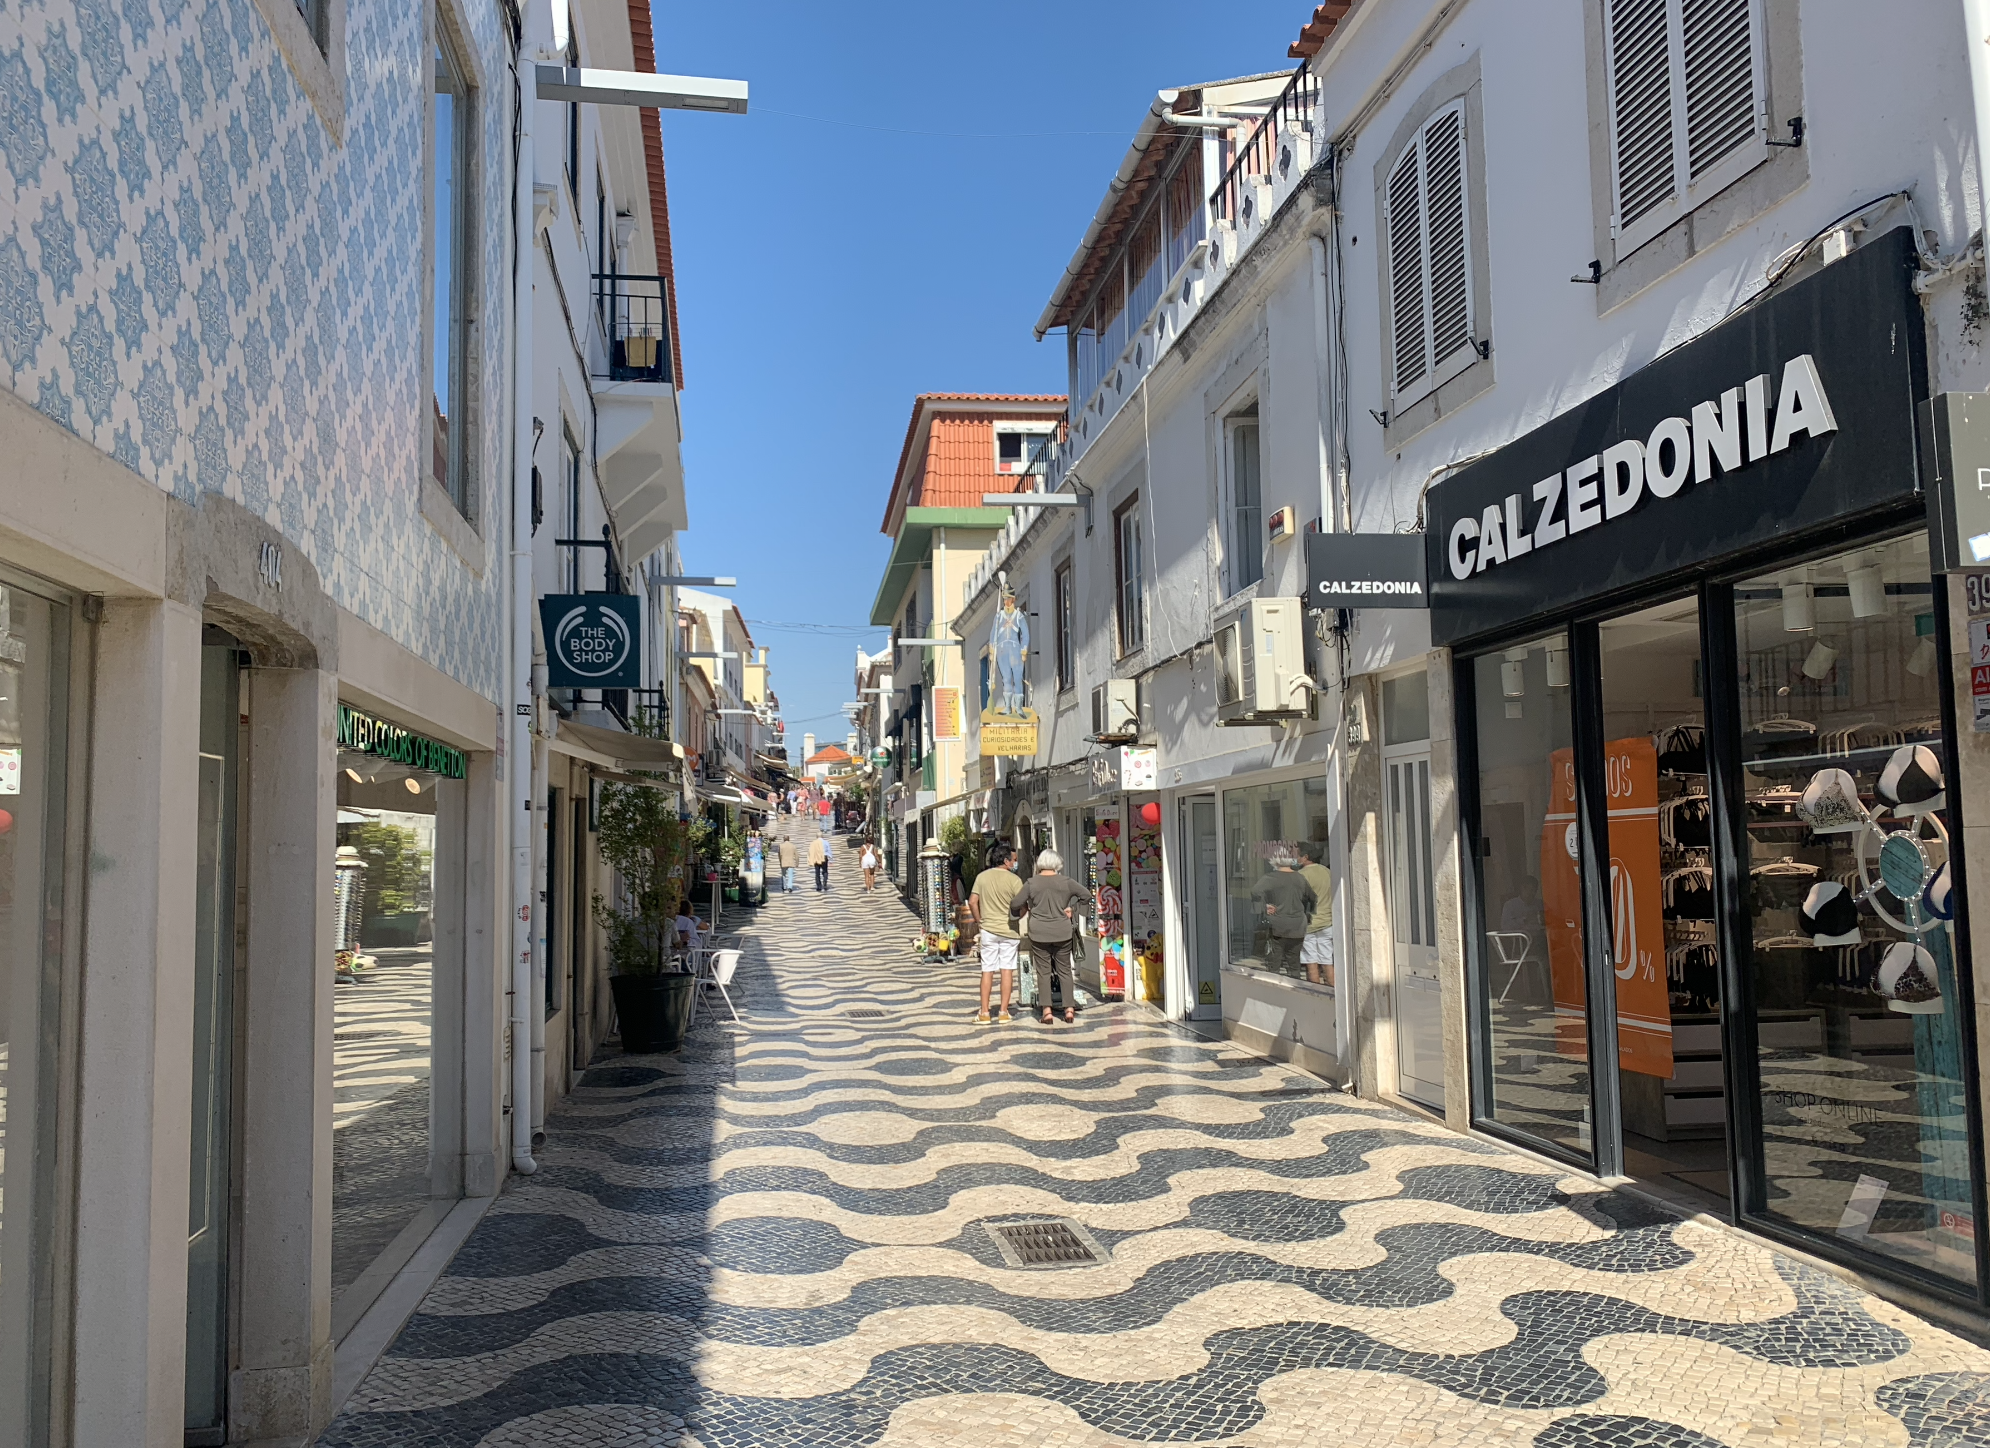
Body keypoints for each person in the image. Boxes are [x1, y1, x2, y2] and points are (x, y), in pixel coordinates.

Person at [1009, 850, 1090, 1024]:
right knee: (1065, 970)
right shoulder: (1066, 882)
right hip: (1062, 930)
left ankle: (1047, 1011)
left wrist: (1026, 907)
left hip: (1039, 932)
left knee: (1043, 972)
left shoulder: (1032, 883)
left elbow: (1015, 903)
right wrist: (1073, 909)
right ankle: (1069, 1009)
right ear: (1057, 864)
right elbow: (1086, 895)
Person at [967, 842, 1023, 1024]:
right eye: (1013, 860)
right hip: (1009, 930)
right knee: (1007, 970)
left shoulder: (982, 877)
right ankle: (1003, 1011)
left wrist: (979, 920)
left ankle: (984, 1012)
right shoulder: (1015, 880)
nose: (1015, 863)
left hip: (988, 929)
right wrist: (1019, 918)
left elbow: (973, 901)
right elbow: (1023, 906)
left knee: (987, 970)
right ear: (1006, 861)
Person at [1251, 849, 1317, 976]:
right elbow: (1313, 897)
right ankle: (1295, 986)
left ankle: (1275, 992)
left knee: (1274, 962)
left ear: (1274, 861)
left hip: (1278, 925)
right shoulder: (1300, 878)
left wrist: (1264, 907)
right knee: (1294, 962)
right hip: (1298, 924)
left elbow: (1255, 891)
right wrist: (1307, 914)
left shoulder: (1271, 878)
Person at [1295, 839, 1334, 987]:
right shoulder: (1327, 871)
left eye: (1296, 855)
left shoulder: (1300, 876)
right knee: (1327, 960)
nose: (1294, 859)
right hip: (1327, 922)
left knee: (1311, 961)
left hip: (1309, 924)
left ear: (1305, 857)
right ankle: (1332, 990)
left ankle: (1315, 991)